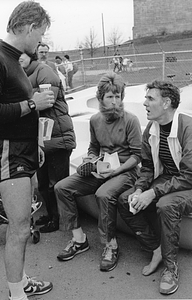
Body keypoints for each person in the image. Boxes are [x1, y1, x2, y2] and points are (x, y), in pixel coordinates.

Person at [0, 2, 54, 299]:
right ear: (29, 27)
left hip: (23, 149)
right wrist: (33, 103)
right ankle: (16, 294)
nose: (41, 41)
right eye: (41, 33)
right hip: (8, 151)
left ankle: (20, 283)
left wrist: (35, 144)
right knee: (19, 227)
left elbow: (15, 109)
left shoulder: (13, 58)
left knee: (24, 222)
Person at [54, 72, 142, 271]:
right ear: (100, 98)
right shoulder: (95, 120)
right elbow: (94, 147)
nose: (114, 101)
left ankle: (110, 245)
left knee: (103, 194)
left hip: (126, 171)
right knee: (62, 187)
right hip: (102, 168)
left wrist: (117, 170)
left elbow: (138, 156)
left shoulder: (131, 120)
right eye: (109, 96)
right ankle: (79, 240)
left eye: (118, 96)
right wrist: (89, 160)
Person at [118, 80, 192, 295]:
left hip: (189, 182)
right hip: (170, 179)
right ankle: (156, 249)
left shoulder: (188, 127)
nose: (145, 103)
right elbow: (147, 166)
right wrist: (141, 189)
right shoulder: (152, 127)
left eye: (150, 98)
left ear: (167, 102)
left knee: (166, 204)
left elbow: (189, 175)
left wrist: (154, 192)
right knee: (126, 199)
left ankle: (171, 268)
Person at [19, 53, 76, 233]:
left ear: (30, 55)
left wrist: (21, 98)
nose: (18, 58)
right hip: (42, 139)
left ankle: (60, 219)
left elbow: (47, 101)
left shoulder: (44, 70)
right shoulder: (23, 75)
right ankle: (52, 214)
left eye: (22, 55)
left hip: (58, 136)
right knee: (43, 182)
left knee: (57, 183)